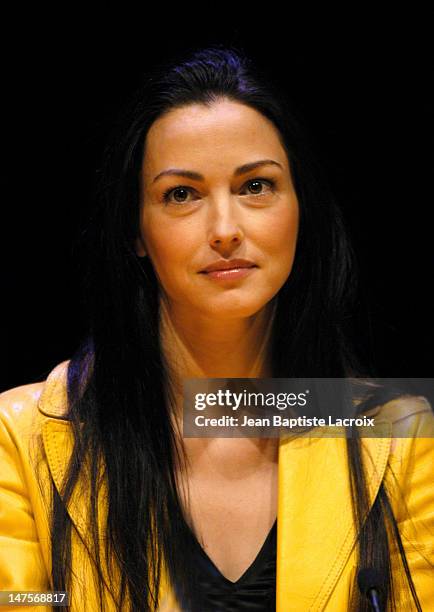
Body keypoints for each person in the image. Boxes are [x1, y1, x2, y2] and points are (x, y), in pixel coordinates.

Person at [0, 44, 433, 612]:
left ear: (301, 207)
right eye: (181, 194)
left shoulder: (399, 436)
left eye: (256, 186)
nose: (225, 229)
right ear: (136, 230)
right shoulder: (21, 437)